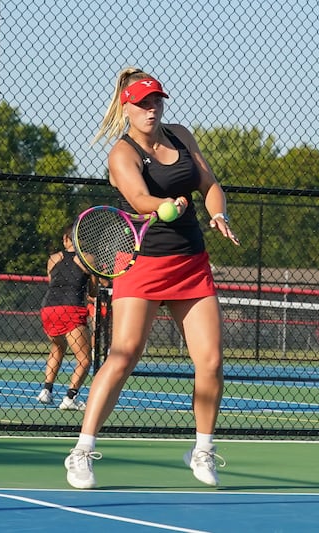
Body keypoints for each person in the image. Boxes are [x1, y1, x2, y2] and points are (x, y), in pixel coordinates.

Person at [64, 67, 240, 490]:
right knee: (123, 355)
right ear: (126, 107)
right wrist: (164, 207)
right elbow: (140, 199)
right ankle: (81, 452)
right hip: (144, 264)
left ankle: (202, 450)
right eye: (143, 103)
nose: (151, 109)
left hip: (191, 263)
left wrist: (217, 212)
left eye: (156, 101)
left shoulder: (180, 135)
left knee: (211, 362)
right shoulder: (121, 155)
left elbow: (209, 182)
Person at [38, 224, 98, 411]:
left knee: (57, 346)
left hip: (48, 309)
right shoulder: (88, 258)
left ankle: (46, 391)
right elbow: (94, 291)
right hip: (71, 309)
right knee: (84, 359)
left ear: (65, 239)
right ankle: (70, 397)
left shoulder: (53, 259)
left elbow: (54, 282)